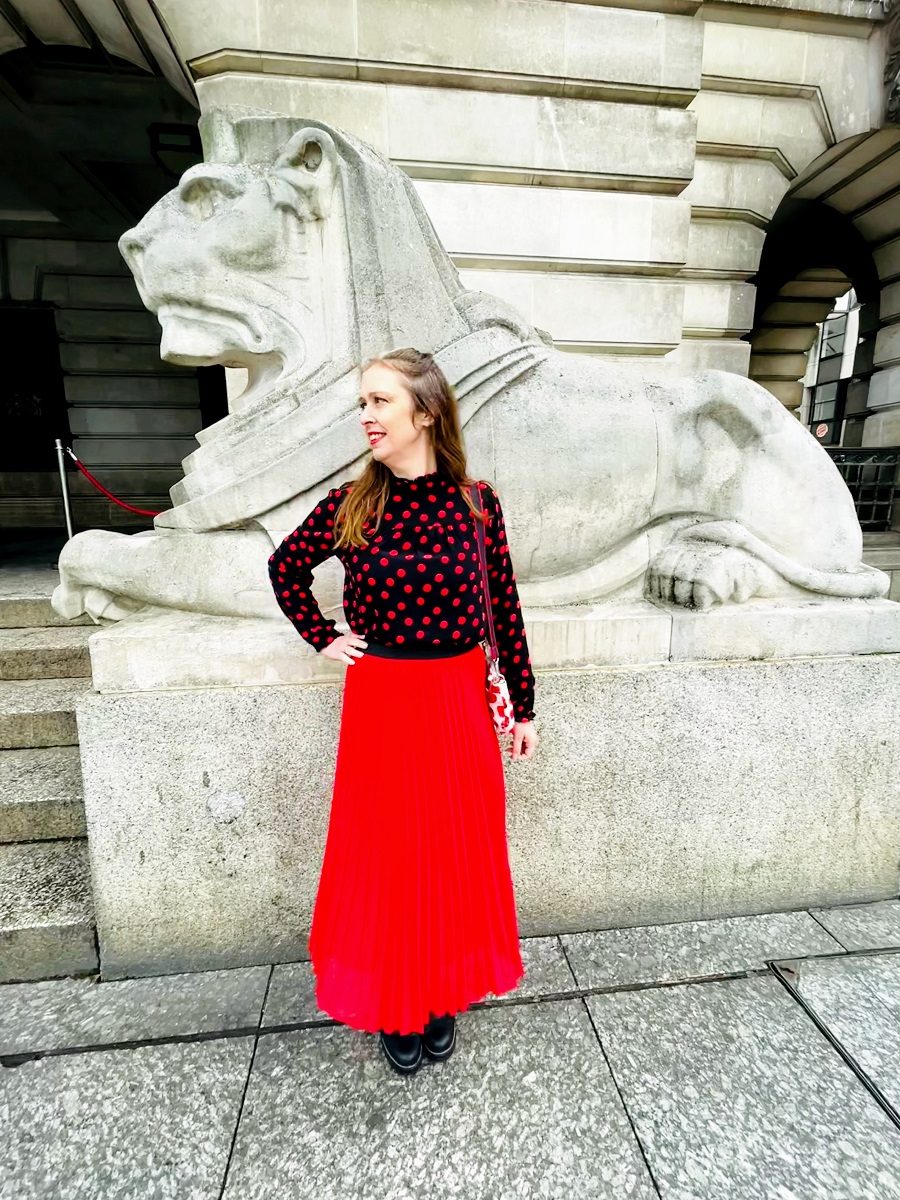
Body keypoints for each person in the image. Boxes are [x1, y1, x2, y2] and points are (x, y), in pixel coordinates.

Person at [267, 347, 538, 1076]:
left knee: (451, 849)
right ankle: (398, 1001)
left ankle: (440, 993)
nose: (366, 416)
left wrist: (525, 705)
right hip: (383, 700)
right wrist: (324, 637)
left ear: (426, 411)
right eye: (363, 403)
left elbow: (504, 607)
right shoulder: (352, 505)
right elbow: (285, 566)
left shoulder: (477, 503)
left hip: (456, 700)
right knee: (390, 855)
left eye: (380, 402)